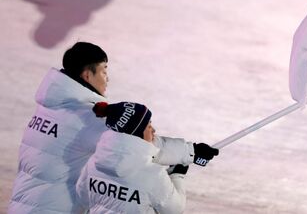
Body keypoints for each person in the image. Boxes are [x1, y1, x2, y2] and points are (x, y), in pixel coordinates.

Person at [9, 42, 218, 213]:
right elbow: (135, 143)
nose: (107, 78)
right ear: (87, 75)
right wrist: (191, 152)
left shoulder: (48, 108)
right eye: (104, 71)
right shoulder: (84, 119)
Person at [76, 101, 208, 213]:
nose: (154, 130)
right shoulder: (153, 175)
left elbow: (82, 196)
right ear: (137, 133)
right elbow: (175, 209)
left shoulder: (94, 163)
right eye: (149, 126)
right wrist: (177, 175)